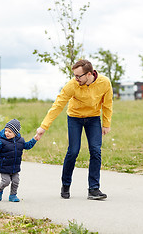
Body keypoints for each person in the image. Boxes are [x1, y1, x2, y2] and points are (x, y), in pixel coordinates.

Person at [35, 59, 113, 200]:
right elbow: (58, 105)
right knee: (73, 151)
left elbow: (107, 104)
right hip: (75, 118)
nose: (75, 78)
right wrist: (43, 126)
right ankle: (65, 185)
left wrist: (106, 123)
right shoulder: (72, 85)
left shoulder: (104, 83)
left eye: (78, 76)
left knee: (96, 150)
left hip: (94, 118)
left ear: (89, 74)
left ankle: (94, 189)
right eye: (74, 75)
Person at [0, 118, 38, 202]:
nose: (7, 133)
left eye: (10, 132)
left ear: (15, 133)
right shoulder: (2, 141)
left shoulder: (21, 141)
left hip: (14, 166)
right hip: (4, 166)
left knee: (16, 181)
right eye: (6, 130)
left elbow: (27, 146)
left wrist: (34, 140)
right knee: (6, 181)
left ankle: (13, 196)